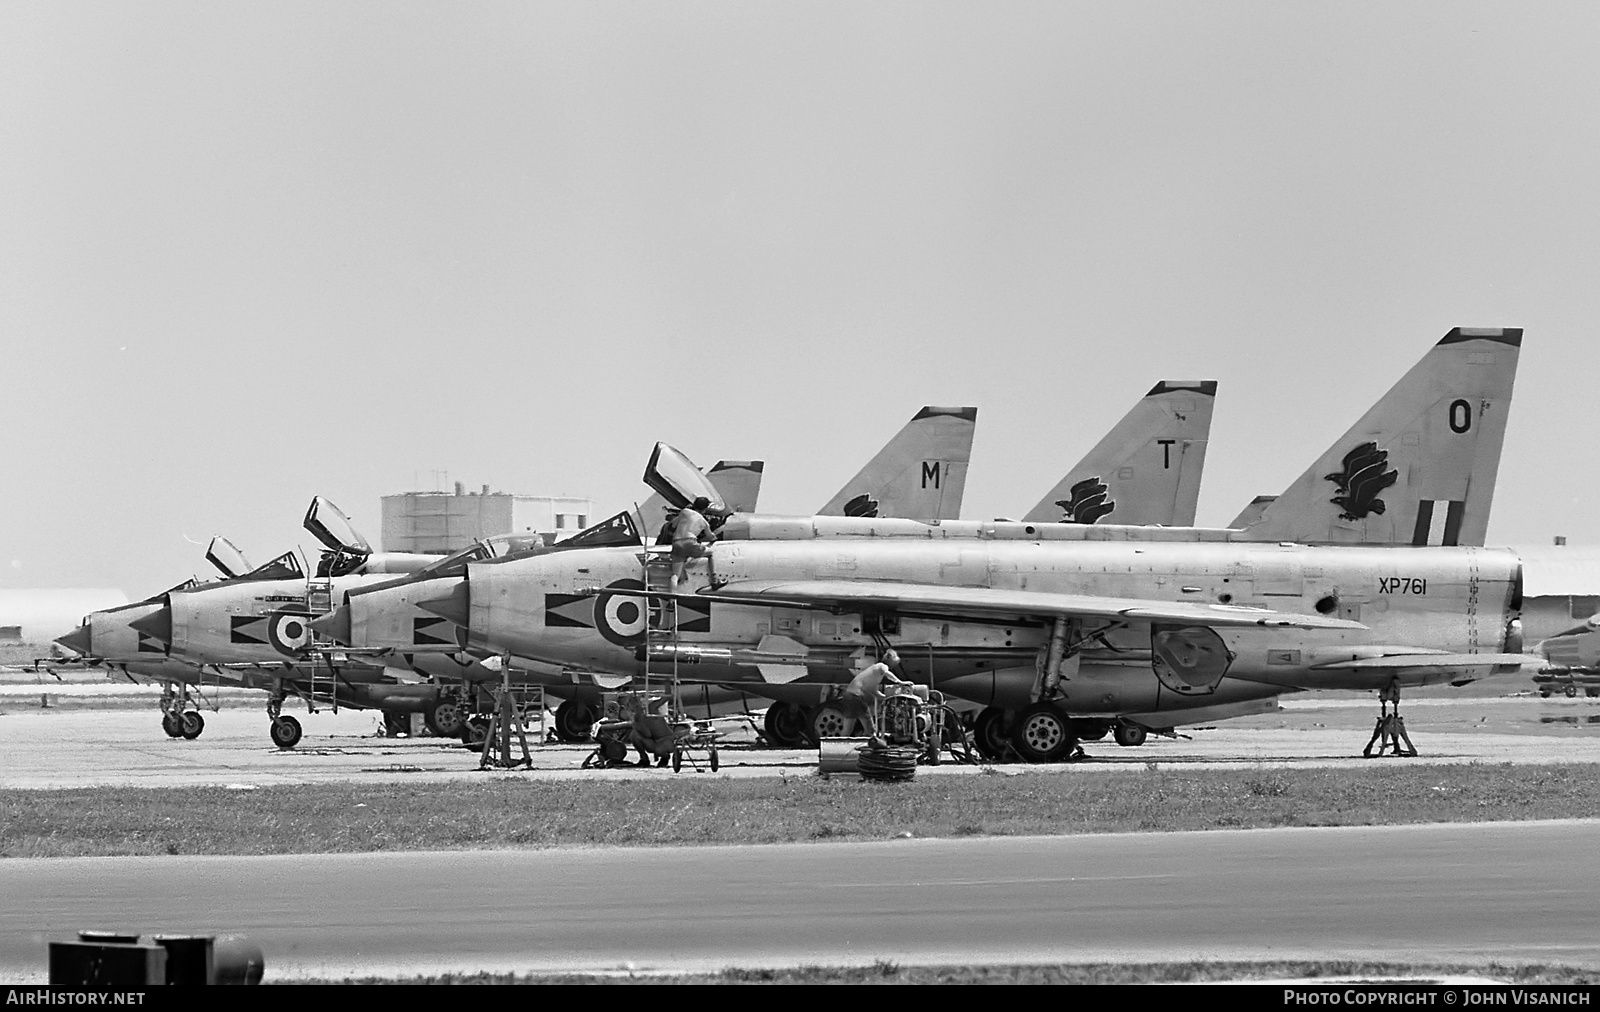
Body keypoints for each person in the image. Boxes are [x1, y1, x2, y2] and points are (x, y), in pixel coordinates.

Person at [840, 648, 909, 740]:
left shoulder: (874, 673)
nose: (895, 665)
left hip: (848, 695)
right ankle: (869, 747)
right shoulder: (882, 666)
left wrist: (886, 698)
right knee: (870, 729)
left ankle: (837, 745)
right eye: (895, 663)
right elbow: (887, 673)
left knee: (848, 728)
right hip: (857, 696)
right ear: (890, 660)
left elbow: (874, 691)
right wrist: (900, 682)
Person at [670, 496, 717, 590]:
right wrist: (714, 539)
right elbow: (711, 536)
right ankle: (714, 580)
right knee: (710, 554)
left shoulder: (684, 512)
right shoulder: (704, 522)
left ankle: (671, 599)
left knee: (675, 575)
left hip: (677, 543)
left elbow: (673, 525)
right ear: (705, 509)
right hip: (690, 542)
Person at [628, 695, 677, 767]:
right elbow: (647, 734)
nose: (636, 706)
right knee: (633, 735)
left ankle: (665, 757)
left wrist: (668, 685)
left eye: (637, 703)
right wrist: (637, 724)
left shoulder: (651, 707)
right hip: (654, 742)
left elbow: (666, 698)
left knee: (659, 749)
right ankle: (644, 759)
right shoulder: (637, 719)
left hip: (667, 740)